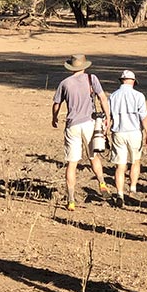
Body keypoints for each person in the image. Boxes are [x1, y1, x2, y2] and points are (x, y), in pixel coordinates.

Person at [51, 54, 111, 211]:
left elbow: (56, 104)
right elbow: (102, 98)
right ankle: (102, 182)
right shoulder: (92, 79)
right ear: (85, 66)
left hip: (72, 125)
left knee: (72, 163)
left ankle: (71, 199)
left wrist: (54, 118)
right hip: (89, 123)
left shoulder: (65, 83)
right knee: (93, 156)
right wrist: (108, 118)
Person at [108, 70, 147, 208]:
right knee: (135, 162)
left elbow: (108, 118)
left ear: (121, 80)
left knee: (120, 166)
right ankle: (132, 189)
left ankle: (119, 193)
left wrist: (104, 133)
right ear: (132, 81)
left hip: (118, 132)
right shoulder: (138, 96)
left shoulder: (113, 96)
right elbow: (143, 116)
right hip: (134, 132)